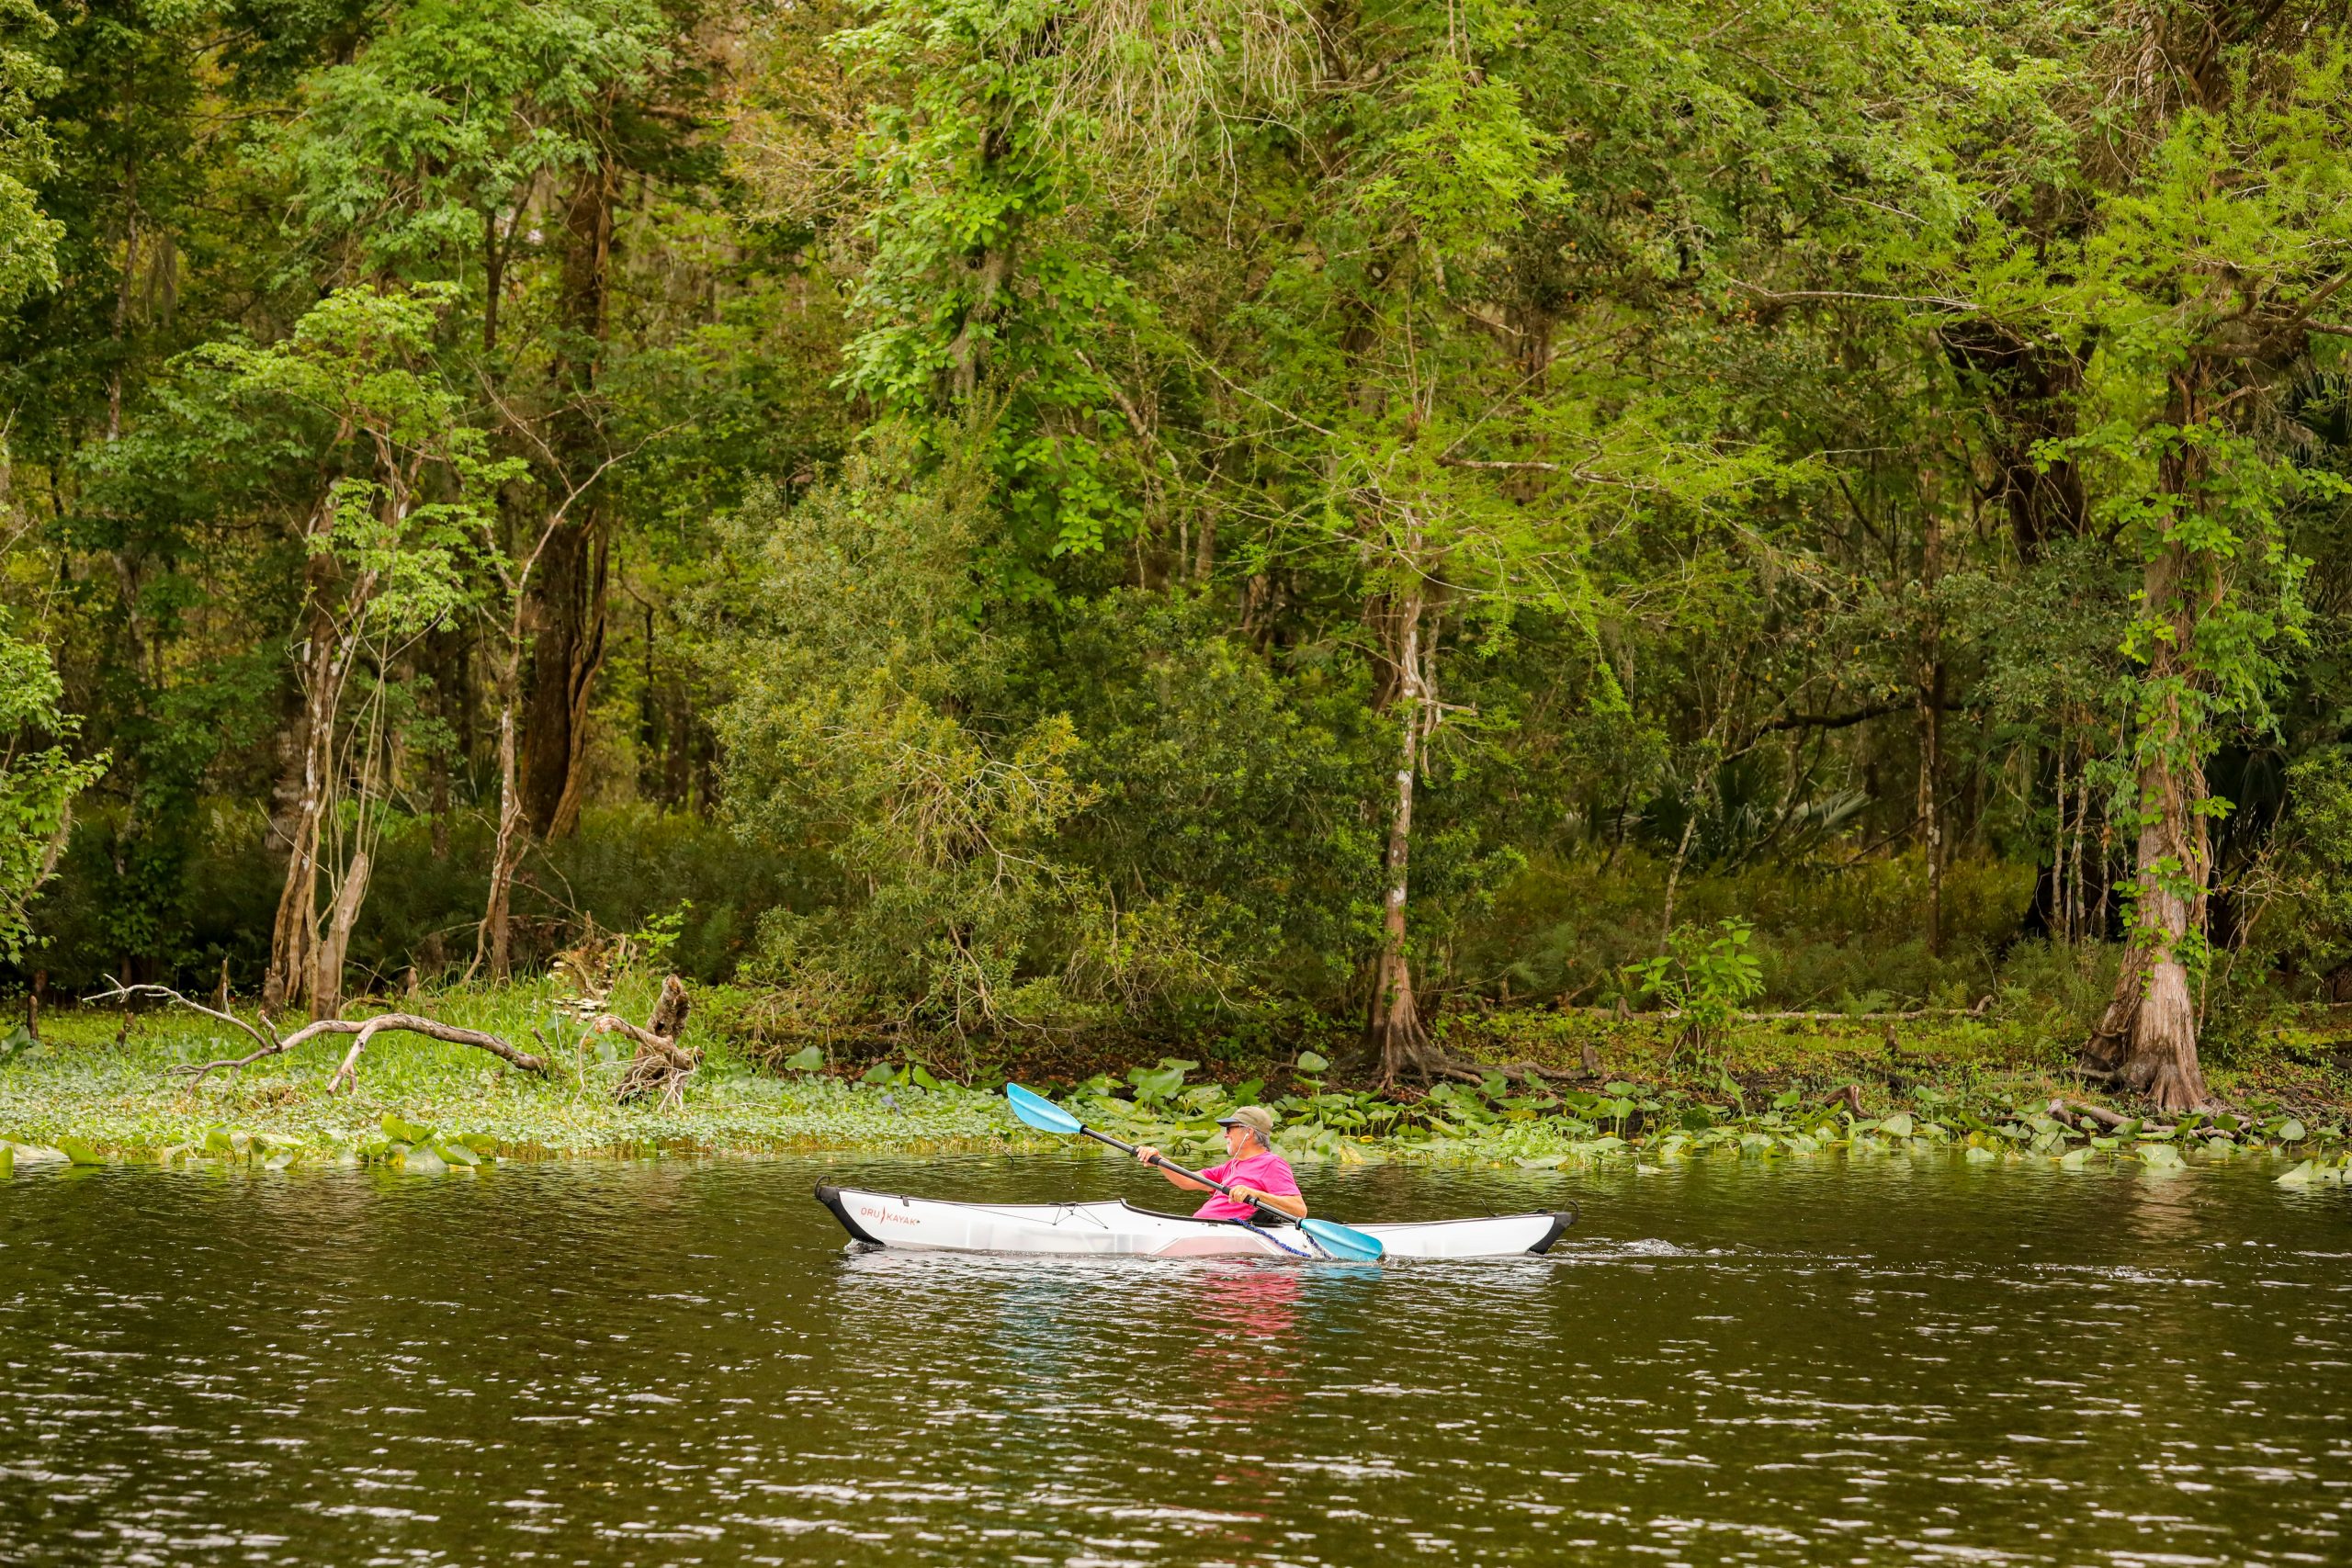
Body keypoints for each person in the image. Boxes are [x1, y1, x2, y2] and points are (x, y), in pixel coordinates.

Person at [1135, 1106, 1306, 1224]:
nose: (1226, 1135)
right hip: (1201, 1227)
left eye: (1229, 1129)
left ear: (1249, 1132)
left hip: (1229, 1232)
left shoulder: (1272, 1163)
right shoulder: (1229, 1166)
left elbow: (1299, 1210)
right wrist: (1159, 1160)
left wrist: (1254, 1194)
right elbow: (1186, 1181)